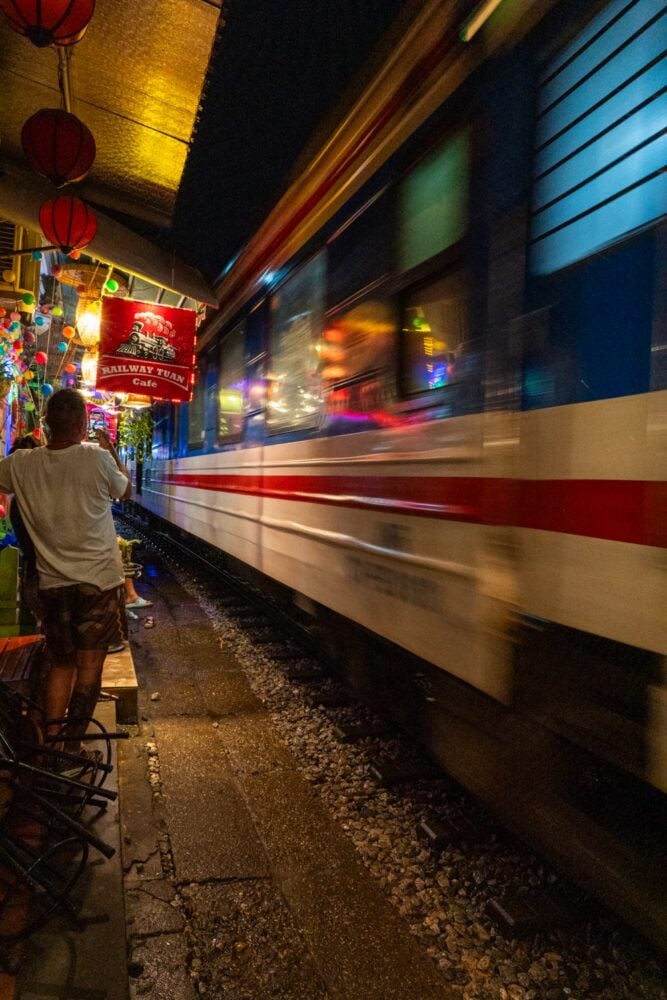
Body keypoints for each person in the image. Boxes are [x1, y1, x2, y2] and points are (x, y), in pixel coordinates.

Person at [0, 389, 131, 750]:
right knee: (89, 666)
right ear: (83, 423)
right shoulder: (97, 458)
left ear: (45, 424)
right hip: (99, 583)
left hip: (53, 584)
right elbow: (125, 491)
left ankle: (51, 739)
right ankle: (72, 745)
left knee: (61, 663)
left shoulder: (19, 464)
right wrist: (112, 450)